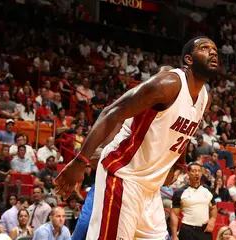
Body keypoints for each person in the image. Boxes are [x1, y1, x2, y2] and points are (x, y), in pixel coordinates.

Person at [55, 36, 218, 239]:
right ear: (189, 59)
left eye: (215, 50)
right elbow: (110, 112)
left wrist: (178, 165)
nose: (213, 52)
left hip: (150, 188)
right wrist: (80, 162)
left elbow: (183, 131)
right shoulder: (167, 85)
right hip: (123, 176)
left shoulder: (205, 98)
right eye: (205, 48)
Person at [170, 162, 217, 240]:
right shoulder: (180, 192)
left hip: (204, 230)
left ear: (201, 173)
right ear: (188, 173)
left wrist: (212, 220)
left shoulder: (208, 190)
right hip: (187, 229)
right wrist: (174, 235)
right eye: (194, 171)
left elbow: (214, 208)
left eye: (199, 171)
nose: (197, 173)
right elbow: (174, 214)